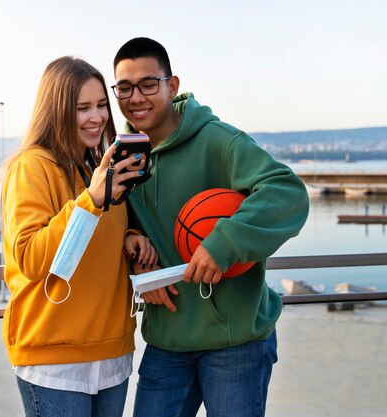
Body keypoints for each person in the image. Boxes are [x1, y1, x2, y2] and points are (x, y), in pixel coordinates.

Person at [111, 37, 310, 417]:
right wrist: (134, 249)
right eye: (124, 87)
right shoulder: (125, 156)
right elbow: (121, 223)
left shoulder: (220, 141)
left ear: (172, 86)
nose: (135, 96)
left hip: (236, 342)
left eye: (148, 84)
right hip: (166, 342)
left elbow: (288, 193)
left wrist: (225, 243)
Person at [0, 56, 158, 417]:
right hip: (55, 358)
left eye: (102, 105)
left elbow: (100, 227)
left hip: (112, 350)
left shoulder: (96, 167)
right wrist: (92, 199)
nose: (97, 117)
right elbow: (31, 258)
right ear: (56, 111)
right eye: (82, 108)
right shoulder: (31, 167)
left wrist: (129, 236)